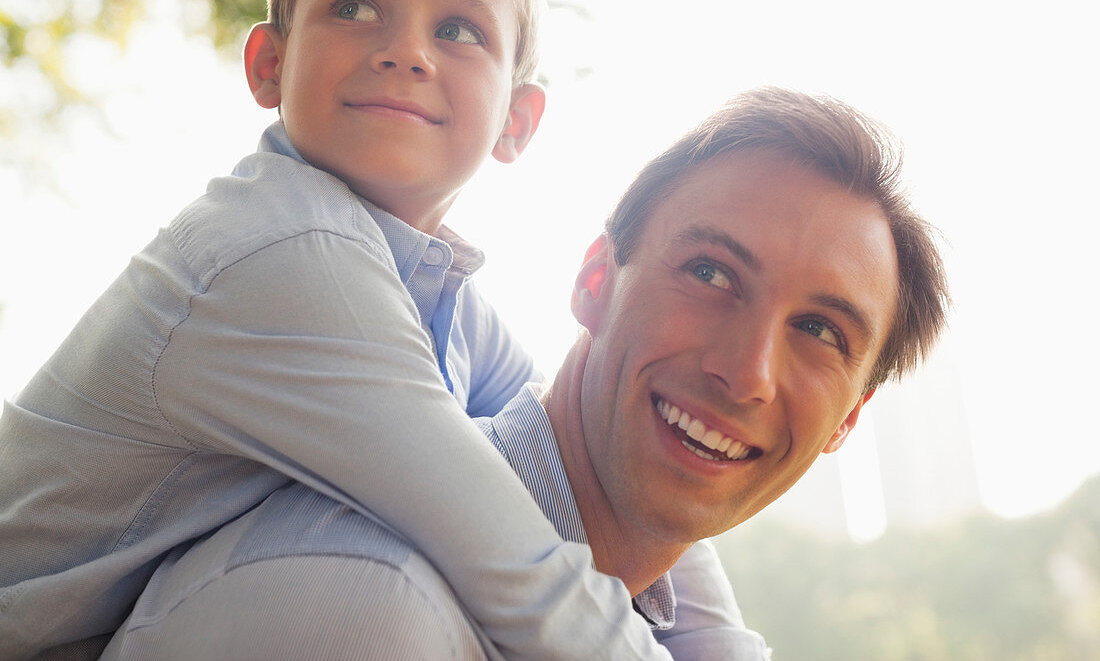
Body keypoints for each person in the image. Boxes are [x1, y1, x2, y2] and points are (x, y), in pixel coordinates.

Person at [0, 0, 745, 660]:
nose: (404, 52)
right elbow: (520, 572)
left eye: (459, 29)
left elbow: (595, 436)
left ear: (516, 123)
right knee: (385, 585)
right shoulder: (280, 254)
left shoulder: (433, 289)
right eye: (355, 8)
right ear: (268, 65)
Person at [99, 87, 950, 660]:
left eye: (818, 330)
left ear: (848, 418)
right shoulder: (372, 609)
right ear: (592, 282)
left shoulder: (655, 611)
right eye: (711, 274)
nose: (746, 372)